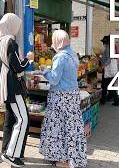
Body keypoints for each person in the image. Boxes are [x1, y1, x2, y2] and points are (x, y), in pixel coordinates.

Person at [39, 30, 87, 168]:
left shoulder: (60, 57)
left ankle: (62, 161)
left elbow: (54, 80)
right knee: (72, 129)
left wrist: (44, 69)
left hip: (60, 98)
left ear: (57, 41)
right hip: (72, 96)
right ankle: (73, 159)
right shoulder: (72, 54)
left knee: (57, 128)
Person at [0, 13, 34, 167]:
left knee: (10, 119)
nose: (17, 29)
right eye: (16, 25)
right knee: (23, 119)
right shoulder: (11, 42)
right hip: (13, 87)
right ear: (11, 25)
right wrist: (28, 59)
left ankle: (7, 151)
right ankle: (12, 154)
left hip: (5, 86)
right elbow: (18, 66)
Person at [99, 35, 119, 106]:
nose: (103, 43)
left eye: (104, 42)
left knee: (104, 86)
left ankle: (103, 101)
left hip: (109, 70)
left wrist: (103, 66)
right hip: (112, 69)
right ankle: (114, 100)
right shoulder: (112, 47)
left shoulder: (109, 48)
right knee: (110, 86)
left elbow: (108, 59)